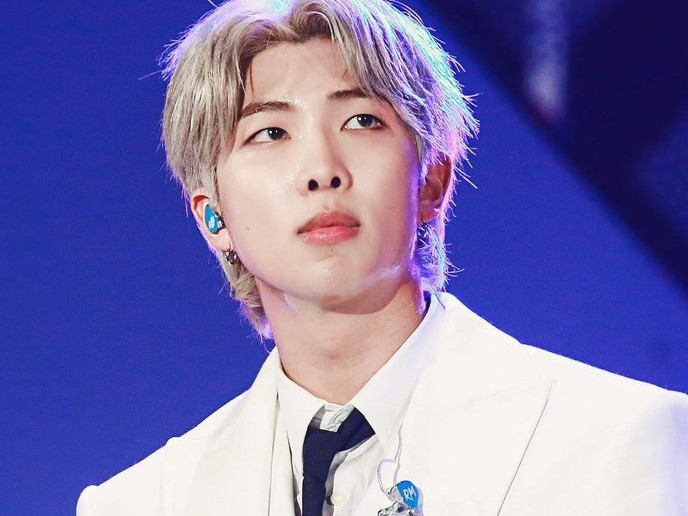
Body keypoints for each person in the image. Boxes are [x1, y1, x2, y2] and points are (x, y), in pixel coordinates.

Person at [77, 0, 688, 514]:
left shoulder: (625, 441)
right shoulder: (142, 502)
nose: (321, 170)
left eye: (362, 121)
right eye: (271, 133)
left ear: (432, 182)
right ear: (213, 217)